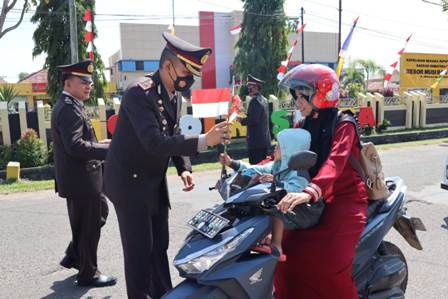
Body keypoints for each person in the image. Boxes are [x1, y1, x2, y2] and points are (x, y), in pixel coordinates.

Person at [103, 32, 231, 299]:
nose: (190, 78)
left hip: (152, 182)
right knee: (139, 251)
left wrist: (183, 167)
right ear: (168, 65)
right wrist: (205, 140)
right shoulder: (140, 93)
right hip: (129, 183)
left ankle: (162, 294)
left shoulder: (173, 94)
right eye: (187, 70)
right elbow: (154, 142)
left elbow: (172, 133)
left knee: (159, 245)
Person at [274, 64, 368, 298]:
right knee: (283, 256)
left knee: (329, 265)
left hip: (344, 199)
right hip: (311, 198)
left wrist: (310, 191)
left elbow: (335, 162)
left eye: (302, 96)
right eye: (295, 96)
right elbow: (282, 154)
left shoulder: (344, 123)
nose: (298, 102)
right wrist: (252, 171)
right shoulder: (302, 124)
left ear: (321, 93)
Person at [51, 60, 116, 287]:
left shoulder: (70, 104)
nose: (89, 85)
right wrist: (108, 149)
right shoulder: (69, 108)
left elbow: (78, 142)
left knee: (98, 213)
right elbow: (75, 146)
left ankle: (74, 254)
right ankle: (88, 274)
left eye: (89, 81)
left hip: (80, 179)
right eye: (84, 81)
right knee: (89, 226)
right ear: (68, 83)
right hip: (82, 180)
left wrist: (99, 143)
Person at [219, 128, 311, 253]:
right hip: (283, 207)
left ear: (289, 150)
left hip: (298, 211)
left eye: (279, 146)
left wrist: (277, 182)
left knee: (277, 208)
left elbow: (296, 189)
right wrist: (232, 163)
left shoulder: (299, 171)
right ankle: (255, 237)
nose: (275, 148)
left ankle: (276, 245)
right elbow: (257, 169)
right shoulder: (277, 165)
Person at [240, 74, 272, 164]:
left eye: (250, 87)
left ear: (255, 88)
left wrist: (241, 120)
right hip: (263, 141)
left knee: (256, 169)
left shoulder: (255, 101)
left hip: (256, 143)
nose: (248, 89)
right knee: (263, 168)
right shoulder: (264, 100)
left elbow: (253, 120)